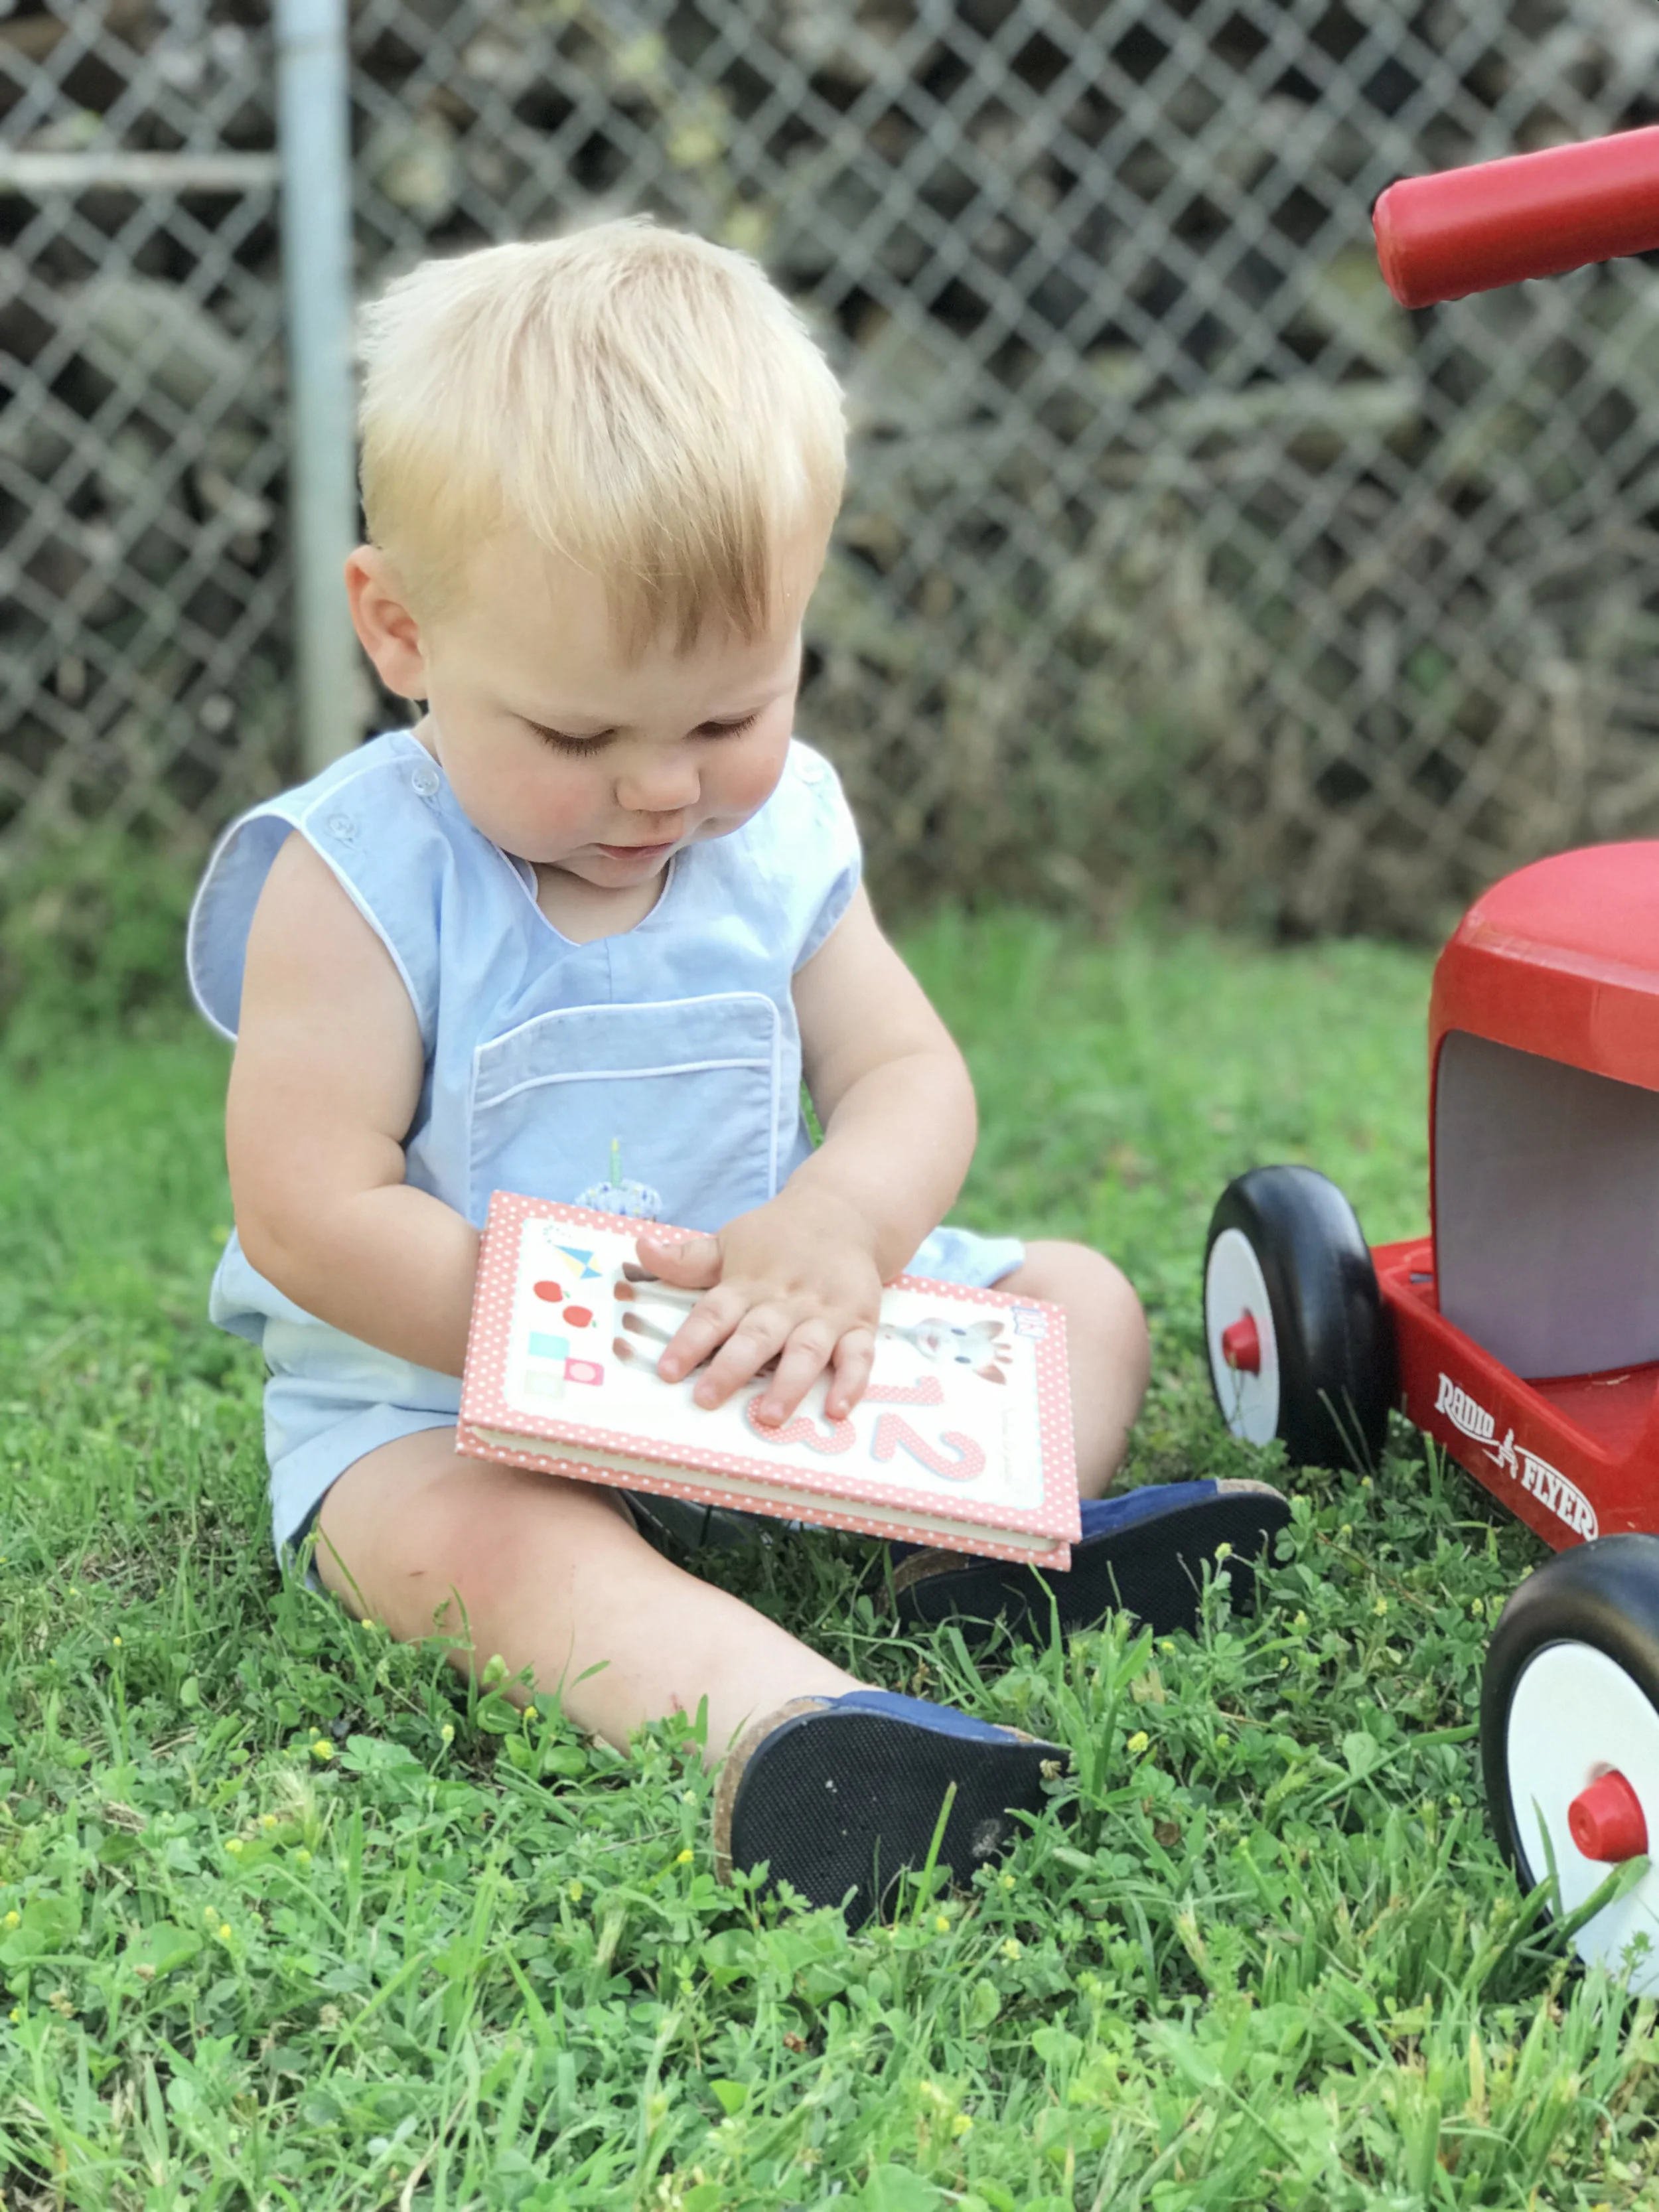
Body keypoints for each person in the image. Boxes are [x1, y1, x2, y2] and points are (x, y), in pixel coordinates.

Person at [188, 220, 1288, 1919]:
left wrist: (839, 1223)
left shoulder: (777, 836)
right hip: (451, 1395)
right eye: (577, 736)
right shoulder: (353, 880)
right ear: (398, 630)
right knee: (463, 1543)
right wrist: (567, 1351)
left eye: (724, 715)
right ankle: (788, 1725)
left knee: (1077, 1296)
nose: (660, 793)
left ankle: (972, 1558)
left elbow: (904, 1069)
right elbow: (304, 1213)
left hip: (766, 1342)